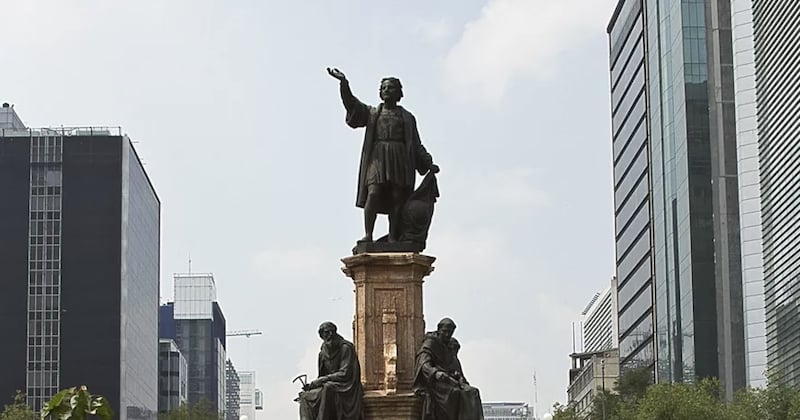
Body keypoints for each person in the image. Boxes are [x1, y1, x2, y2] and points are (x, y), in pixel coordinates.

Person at [327, 67, 440, 243]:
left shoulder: (408, 118)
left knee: (397, 197)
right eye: (384, 88)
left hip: (399, 158)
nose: (387, 90)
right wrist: (344, 84)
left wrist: (427, 162)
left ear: (399, 93)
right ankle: (368, 235)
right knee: (373, 193)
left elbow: (416, 145)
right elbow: (353, 105)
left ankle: (393, 237)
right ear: (380, 93)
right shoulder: (373, 113)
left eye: (391, 88)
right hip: (378, 158)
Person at [413, 318, 484, 420]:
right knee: (454, 393)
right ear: (439, 330)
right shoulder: (431, 343)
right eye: (445, 332)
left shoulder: (451, 345)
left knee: (472, 392)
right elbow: (424, 364)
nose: (447, 335)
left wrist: (459, 377)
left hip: (450, 379)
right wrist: (436, 373)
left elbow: (455, 365)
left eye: (450, 333)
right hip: (435, 382)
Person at [297, 322, 364, 420]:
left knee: (327, 388)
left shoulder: (346, 348)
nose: (330, 335)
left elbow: (345, 374)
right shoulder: (322, 354)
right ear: (322, 335)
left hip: (346, 386)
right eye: (326, 333)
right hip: (329, 385)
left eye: (332, 332)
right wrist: (311, 386)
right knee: (305, 396)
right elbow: (321, 377)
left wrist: (322, 380)